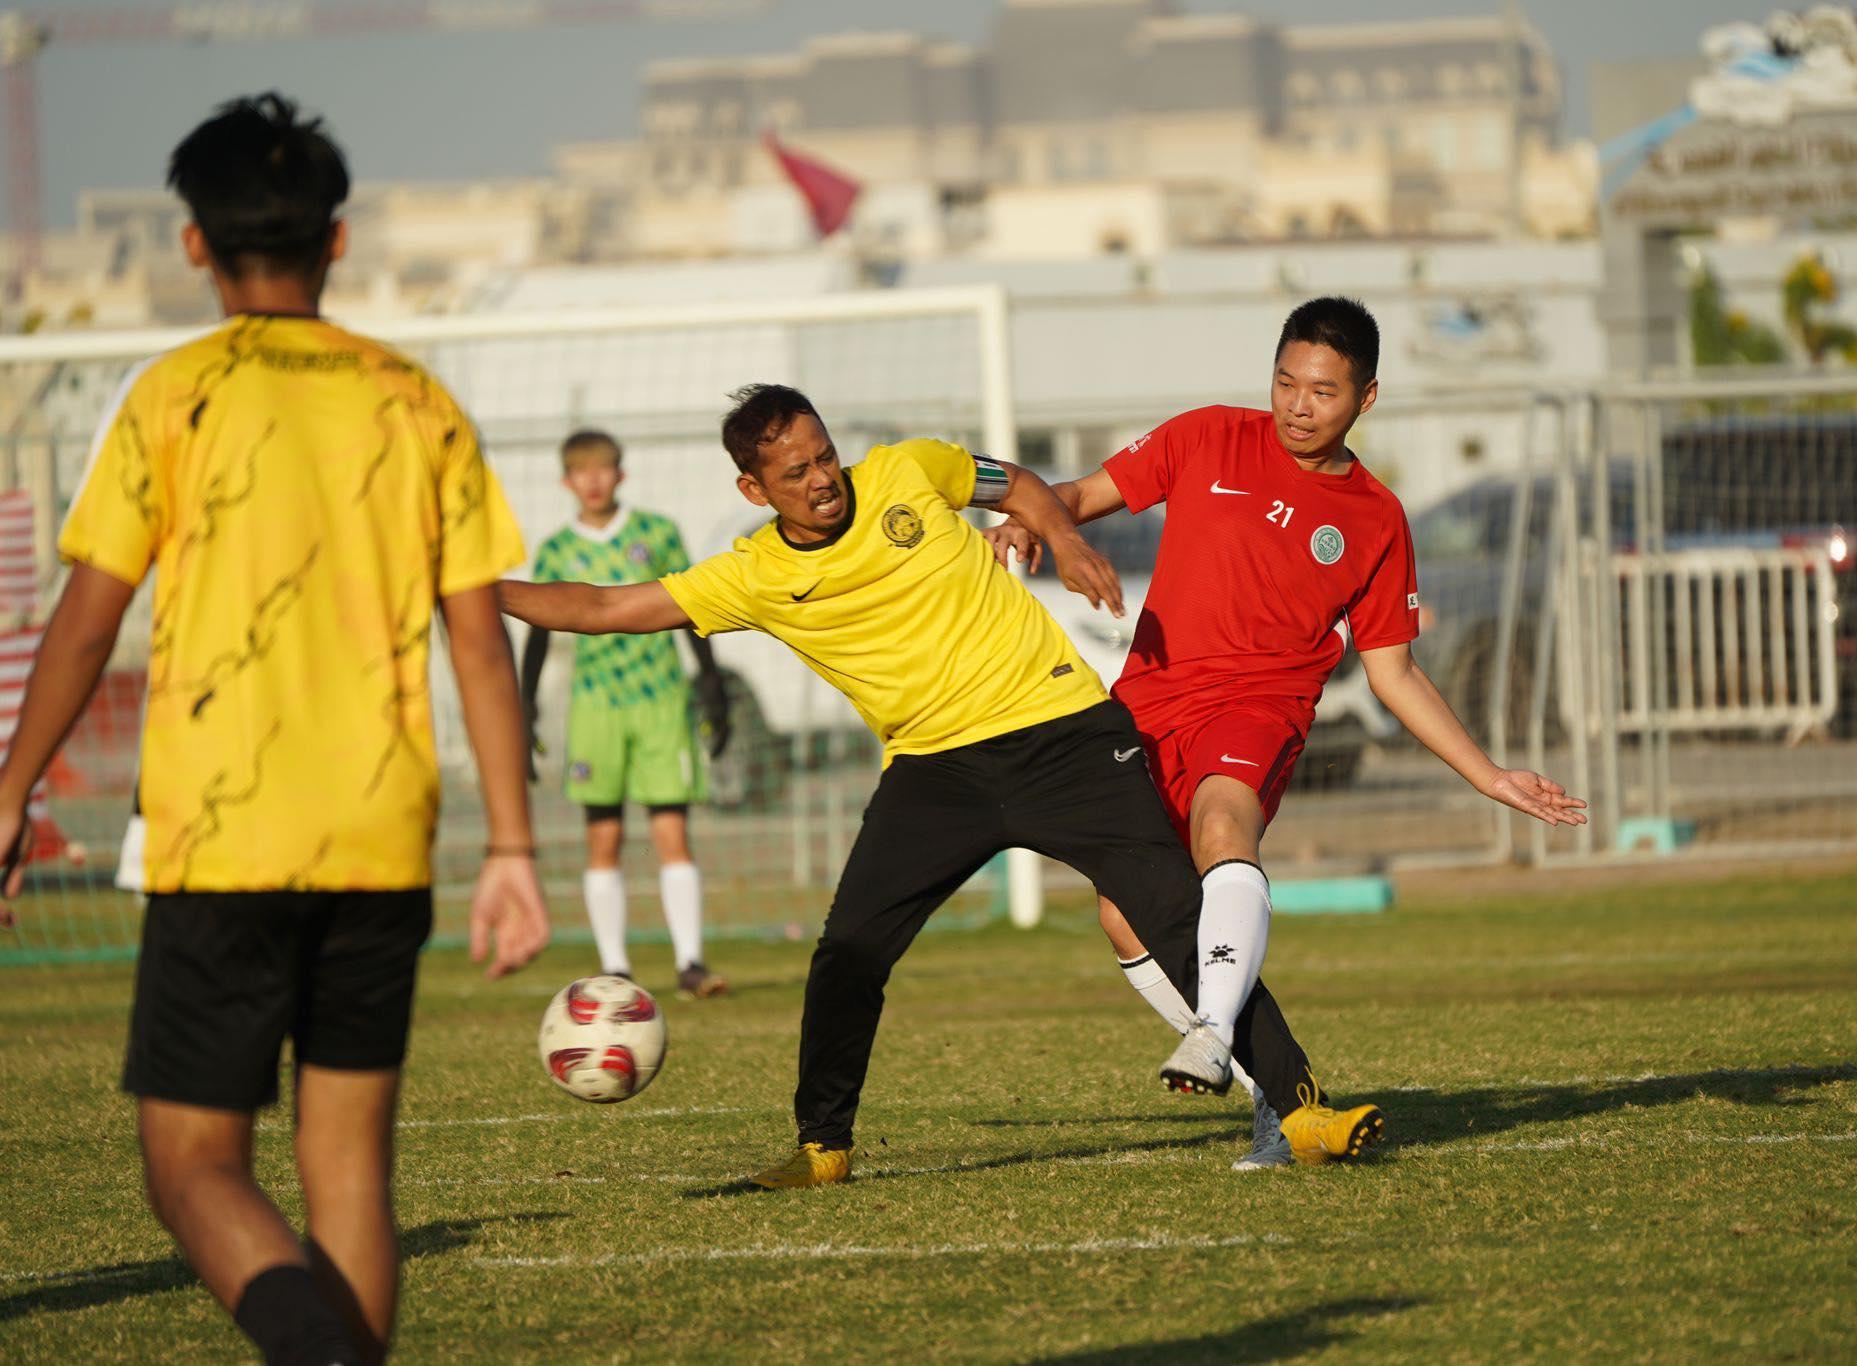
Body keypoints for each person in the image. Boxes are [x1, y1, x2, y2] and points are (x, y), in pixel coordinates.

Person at [501, 383, 1383, 1190]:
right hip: (934, 774)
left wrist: (1068, 540)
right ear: (754, 491)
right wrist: (468, 593)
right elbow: (602, 608)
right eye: (795, 472)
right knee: (850, 948)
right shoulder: (754, 575)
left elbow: (1020, 486)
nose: (822, 480)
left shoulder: (907, 470)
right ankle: (823, 1147)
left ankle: (1303, 1111)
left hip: (1061, 732)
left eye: (824, 456)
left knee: (1171, 913)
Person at [0, 94, 548, 1365]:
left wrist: (14, 787)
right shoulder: (413, 400)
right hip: (381, 833)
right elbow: (477, 639)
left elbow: (84, 624)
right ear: (336, 240)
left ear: (193, 244)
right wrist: (511, 849)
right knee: (346, 1163)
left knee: (190, 1163)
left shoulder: (172, 396)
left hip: (223, 833)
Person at [988, 296, 1586, 1168]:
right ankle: (1278, 1094)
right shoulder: (1207, 438)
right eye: (1285, 381)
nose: (1298, 405)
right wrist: (1033, 518)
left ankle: (1212, 1032)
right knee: (1124, 915)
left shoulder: (1377, 520)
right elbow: (1078, 495)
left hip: (1259, 709)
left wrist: (1487, 775)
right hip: (1149, 703)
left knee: (1223, 827)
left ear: (1366, 399)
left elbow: (1394, 673)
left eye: (1324, 392)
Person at [522, 428, 733, 997]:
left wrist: (710, 683)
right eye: (581, 471)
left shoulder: (657, 533)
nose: (592, 480)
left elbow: (692, 609)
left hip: (660, 699)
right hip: (595, 707)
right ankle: (615, 969)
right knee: (605, 838)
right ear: (567, 481)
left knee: (671, 831)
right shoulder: (555, 551)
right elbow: (540, 629)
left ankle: (690, 963)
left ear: (621, 474)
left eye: (603, 468)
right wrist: (527, 704)